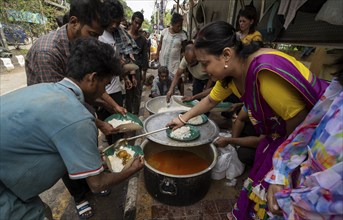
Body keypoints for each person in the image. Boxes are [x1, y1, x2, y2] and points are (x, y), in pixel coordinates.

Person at [167, 21, 328, 220]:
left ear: (226, 55)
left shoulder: (264, 73)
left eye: (205, 63)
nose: (204, 69)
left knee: (276, 195)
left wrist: (283, 166)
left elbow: (300, 121)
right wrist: (182, 119)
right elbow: (210, 100)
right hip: (278, 137)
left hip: (305, 140)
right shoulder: (233, 74)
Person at [0, 38, 144, 220]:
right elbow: (97, 184)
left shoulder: (47, 88)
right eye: (105, 85)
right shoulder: (78, 118)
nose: (103, 92)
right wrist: (133, 170)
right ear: (91, 78)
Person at [24, 0, 125, 218]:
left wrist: (112, 105)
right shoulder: (47, 53)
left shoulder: (81, 45)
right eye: (93, 34)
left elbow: (94, 85)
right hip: (51, 118)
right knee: (65, 155)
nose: (96, 40)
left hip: (73, 107)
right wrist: (98, 123)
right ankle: (80, 195)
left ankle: (90, 179)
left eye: (99, 36)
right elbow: (58, 113)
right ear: (74, 22)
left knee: (84, 150)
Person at [265, 61, 343, 219]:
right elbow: (309, 127)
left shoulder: (266, 76)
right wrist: (280, 173)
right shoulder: (339, 89)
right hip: (296, 193)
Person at [157, 12, 187, 95]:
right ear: (172, 24)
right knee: (163, 83)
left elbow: (185, 51)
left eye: (181, 25)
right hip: (163, 62)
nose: (180, 27)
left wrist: (183, 65)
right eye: (178, 25)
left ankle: (178, 100)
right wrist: (156, 54)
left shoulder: (182, 35)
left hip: (174, 65)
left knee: (175, 84)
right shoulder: (164, 32)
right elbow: (160, 44)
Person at [127, 11, 149, 115]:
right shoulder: (124, 36)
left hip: (137, 69)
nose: (137, 25)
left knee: (137, 93)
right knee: (127, 93)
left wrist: (144, 73)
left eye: (139, 24)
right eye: (135, 22)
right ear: (131, 21)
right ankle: (127, 113)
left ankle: (135, 114)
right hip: (124, 69)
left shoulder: (143, 40)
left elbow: (145, 57)